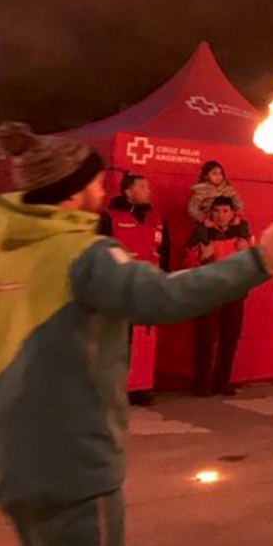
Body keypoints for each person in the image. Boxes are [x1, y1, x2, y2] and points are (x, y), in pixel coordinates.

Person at [0, 121, 273, 546]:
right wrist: (260, 260)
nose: (102, 186)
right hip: (71, 464)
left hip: (7, 463)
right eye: (95, 179)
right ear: (72, 193)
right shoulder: (84, 256)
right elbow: (167, 295)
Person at [97, 173, 169, 406]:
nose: (148, 190)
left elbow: (164, 252)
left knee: (145, 341)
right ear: (127, 191)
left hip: (148, 287)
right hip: (119, 288)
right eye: (142, 186)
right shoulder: (109, 218)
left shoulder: (156, 218)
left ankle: (140, 388)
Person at [185, 196, 253, 396]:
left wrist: (248, 252)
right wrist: (202, 256)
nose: (221, 215)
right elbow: (185, 261)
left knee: (230, 338)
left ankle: (221, 382)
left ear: (232, 213)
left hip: (235, 291)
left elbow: (253, 261)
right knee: (206, 338)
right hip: (209, 291)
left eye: (225, 211)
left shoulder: (242, 232)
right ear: (210, 212)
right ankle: (201, 384)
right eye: (217, 211)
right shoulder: (201, 231)